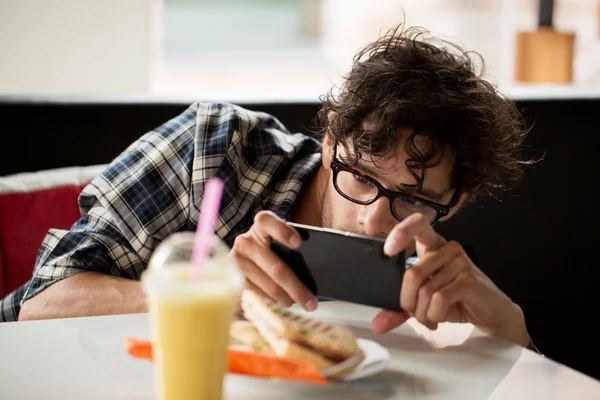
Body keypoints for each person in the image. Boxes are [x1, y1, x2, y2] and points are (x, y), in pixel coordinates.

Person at [0, 25, 539, 350]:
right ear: (330, 146)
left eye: (412, 200)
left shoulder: (438, 284)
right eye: (360, 177)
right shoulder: (215, 147)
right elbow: (40, 304)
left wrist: (511, 331)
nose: (373, 223)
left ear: (454, 202)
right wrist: (215, 291)